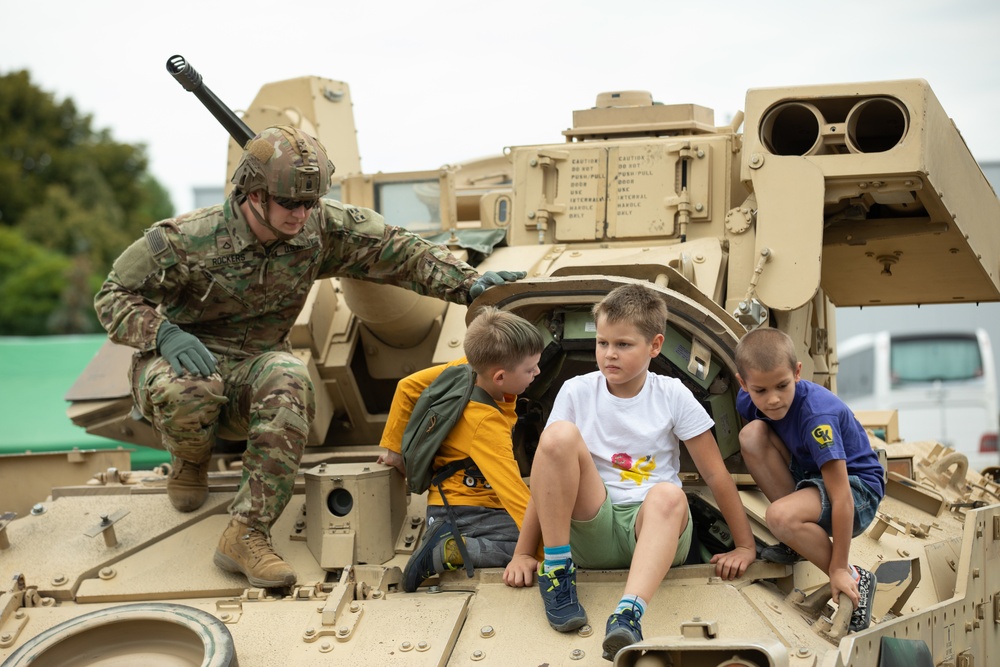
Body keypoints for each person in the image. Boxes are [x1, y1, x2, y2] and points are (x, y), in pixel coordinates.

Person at [94, 125, 523, 589]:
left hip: (255, 367)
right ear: (254, 195)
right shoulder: (187, 240)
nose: (302, 213)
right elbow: (112, 295)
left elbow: (397, 250)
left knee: (289, 377)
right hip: (180, 364)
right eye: (291, 203)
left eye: (310, 202)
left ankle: (246, 533)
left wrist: (470, 284)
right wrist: (164, 333)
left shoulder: (319, 226)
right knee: (193, 388)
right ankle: (190, 461)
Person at [502, 283, 757, 662]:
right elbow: (548, 478)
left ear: (655, 346)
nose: (609, 354)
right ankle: (556, 574)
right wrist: (524, 553)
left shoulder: (672, 395)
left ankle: (628, 614)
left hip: (655, 530)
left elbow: (716, 475)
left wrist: (745, 546)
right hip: (593, 523)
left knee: (669, 495)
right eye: (602, 343)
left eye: (623, 345)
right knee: (556, 439)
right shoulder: (577, 392)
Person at [376, 307, 543, 591]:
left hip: (449, 506)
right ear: (500, 377)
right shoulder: (485, 424)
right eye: (530, 369)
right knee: (544, 543)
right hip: (466, 513)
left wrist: (393, 450)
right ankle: (452, 548)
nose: (537, 372)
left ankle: (447, 540)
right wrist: (546, 556)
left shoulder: (468, 366)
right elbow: (514, 493)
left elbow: (407, 386)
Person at [734, 327, 885, 633]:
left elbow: (842, 496)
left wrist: (838, 567)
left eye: (782, 385)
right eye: (760, 390)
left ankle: (856, 577)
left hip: (858, 490)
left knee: (779, 517)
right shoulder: (747, 400)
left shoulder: (818, 417)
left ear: (798, 372)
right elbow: (767, 438)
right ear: (743, 384)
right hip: (810, 474)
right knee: (751, 435)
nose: (773, 399)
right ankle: (797, 539)